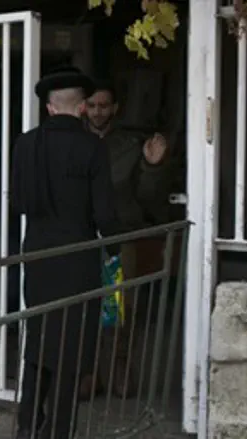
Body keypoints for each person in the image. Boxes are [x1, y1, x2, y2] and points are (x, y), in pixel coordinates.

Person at [11, 67, 122, 439]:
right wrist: (115, 248)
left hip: (38, 257)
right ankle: (57, 430)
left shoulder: (25, 144)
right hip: (78, 258)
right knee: (70, 350)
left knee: (40, 340)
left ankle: (27, 424)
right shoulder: (92, 147)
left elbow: (20, 203)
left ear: (48, 108)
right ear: (82, 108)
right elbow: (105, 214)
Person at [80, 79, 174, 400]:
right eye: (91, 105)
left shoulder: (131, 145)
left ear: (115, 108)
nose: (97, 112)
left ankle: (120, 366)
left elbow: (148, 197)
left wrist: (152, 165)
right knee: (84, 307)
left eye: (103, 105)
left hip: (118, 239)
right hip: (81, 239)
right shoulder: (74, 141)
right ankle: (90, 372)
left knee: (119, 307)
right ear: (83, 107)